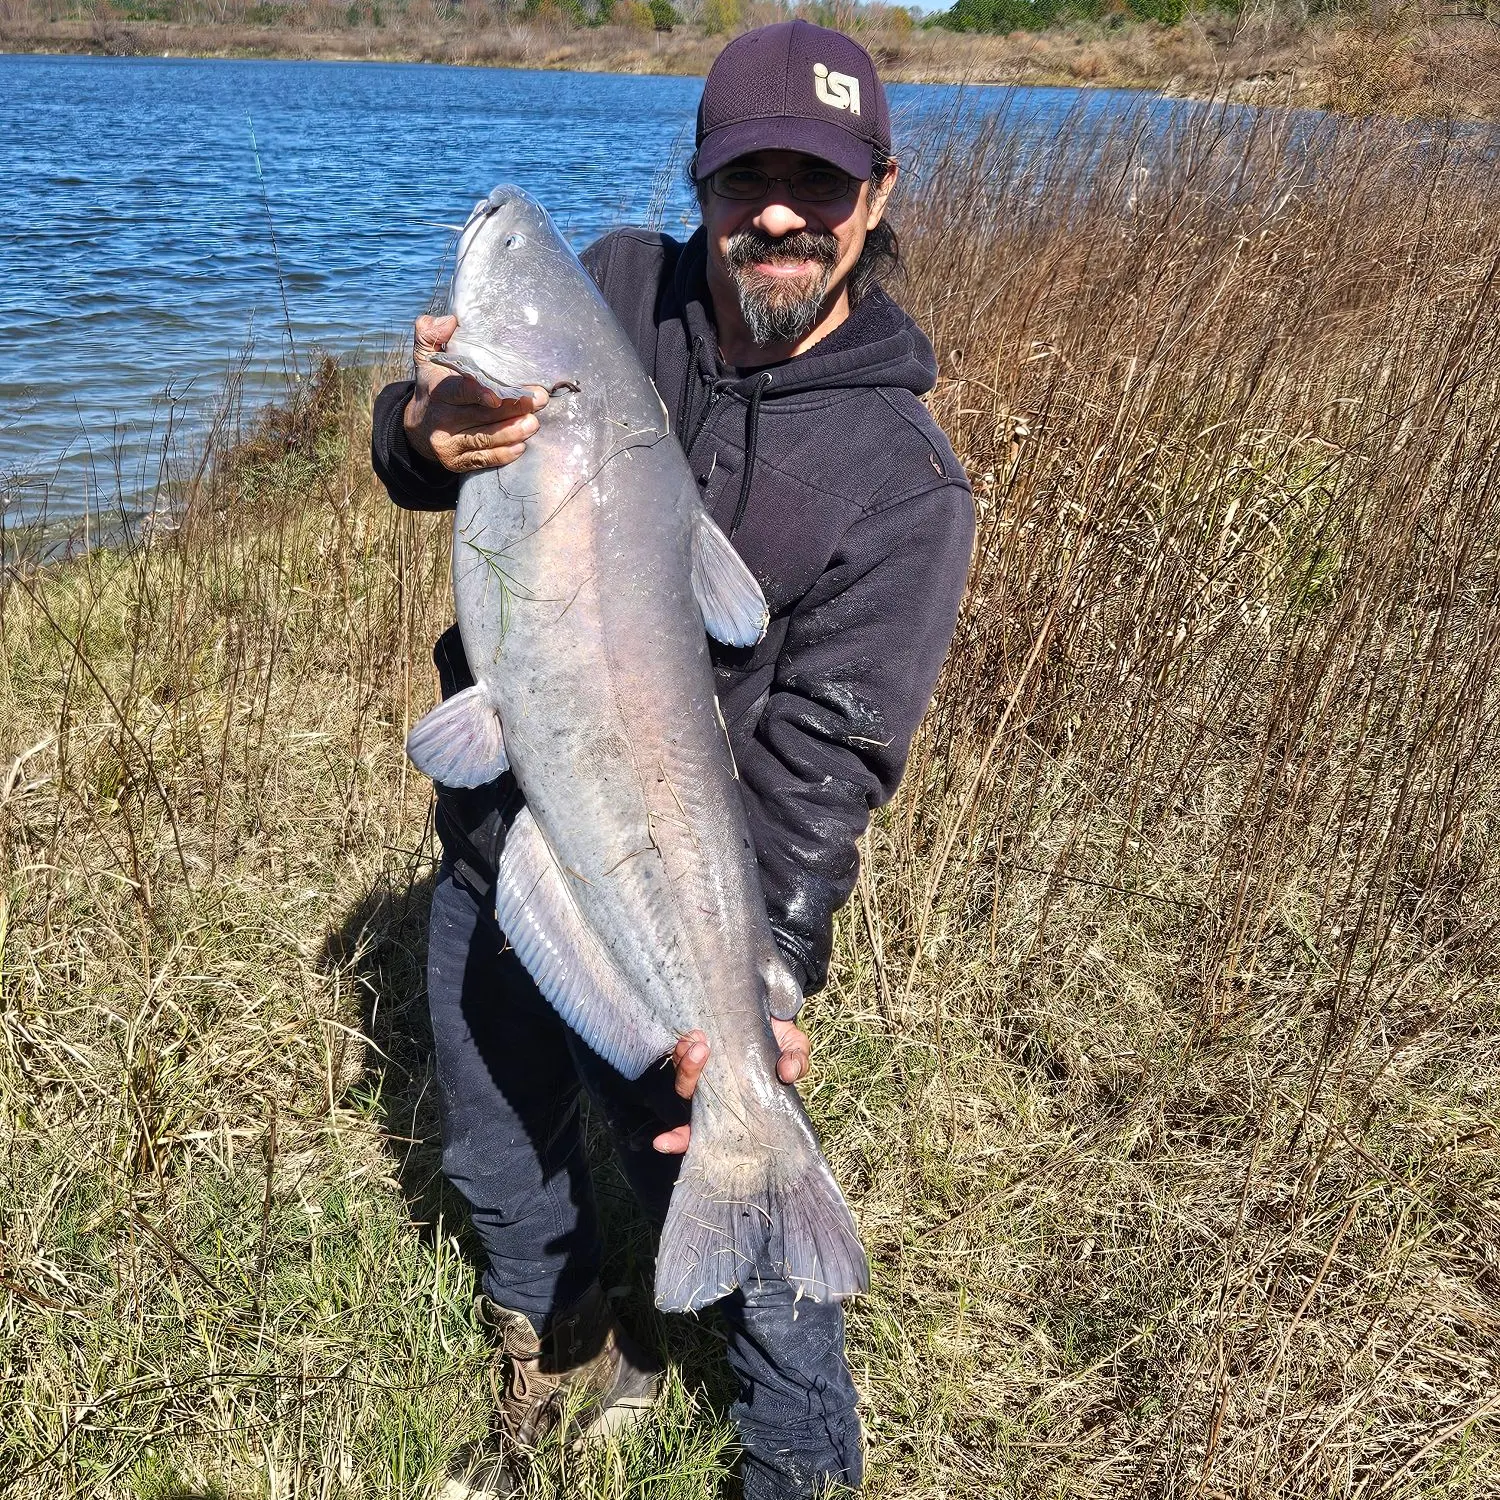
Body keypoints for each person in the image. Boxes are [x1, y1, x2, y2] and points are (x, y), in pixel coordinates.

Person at [370, 20, 973, 1499]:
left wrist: (757, 986)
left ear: (877, 197)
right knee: (497, 1151)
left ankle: (796, 1462)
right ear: (700, 183)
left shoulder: (905, 482)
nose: (778, 214)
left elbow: (828, 764)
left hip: (676, 896)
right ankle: (570, 1344)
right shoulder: (621, 292)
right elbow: (423, 447)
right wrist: (414, 430)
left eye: (817, 186)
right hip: (499, 835)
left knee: (745, 1209)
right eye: (745, 178)